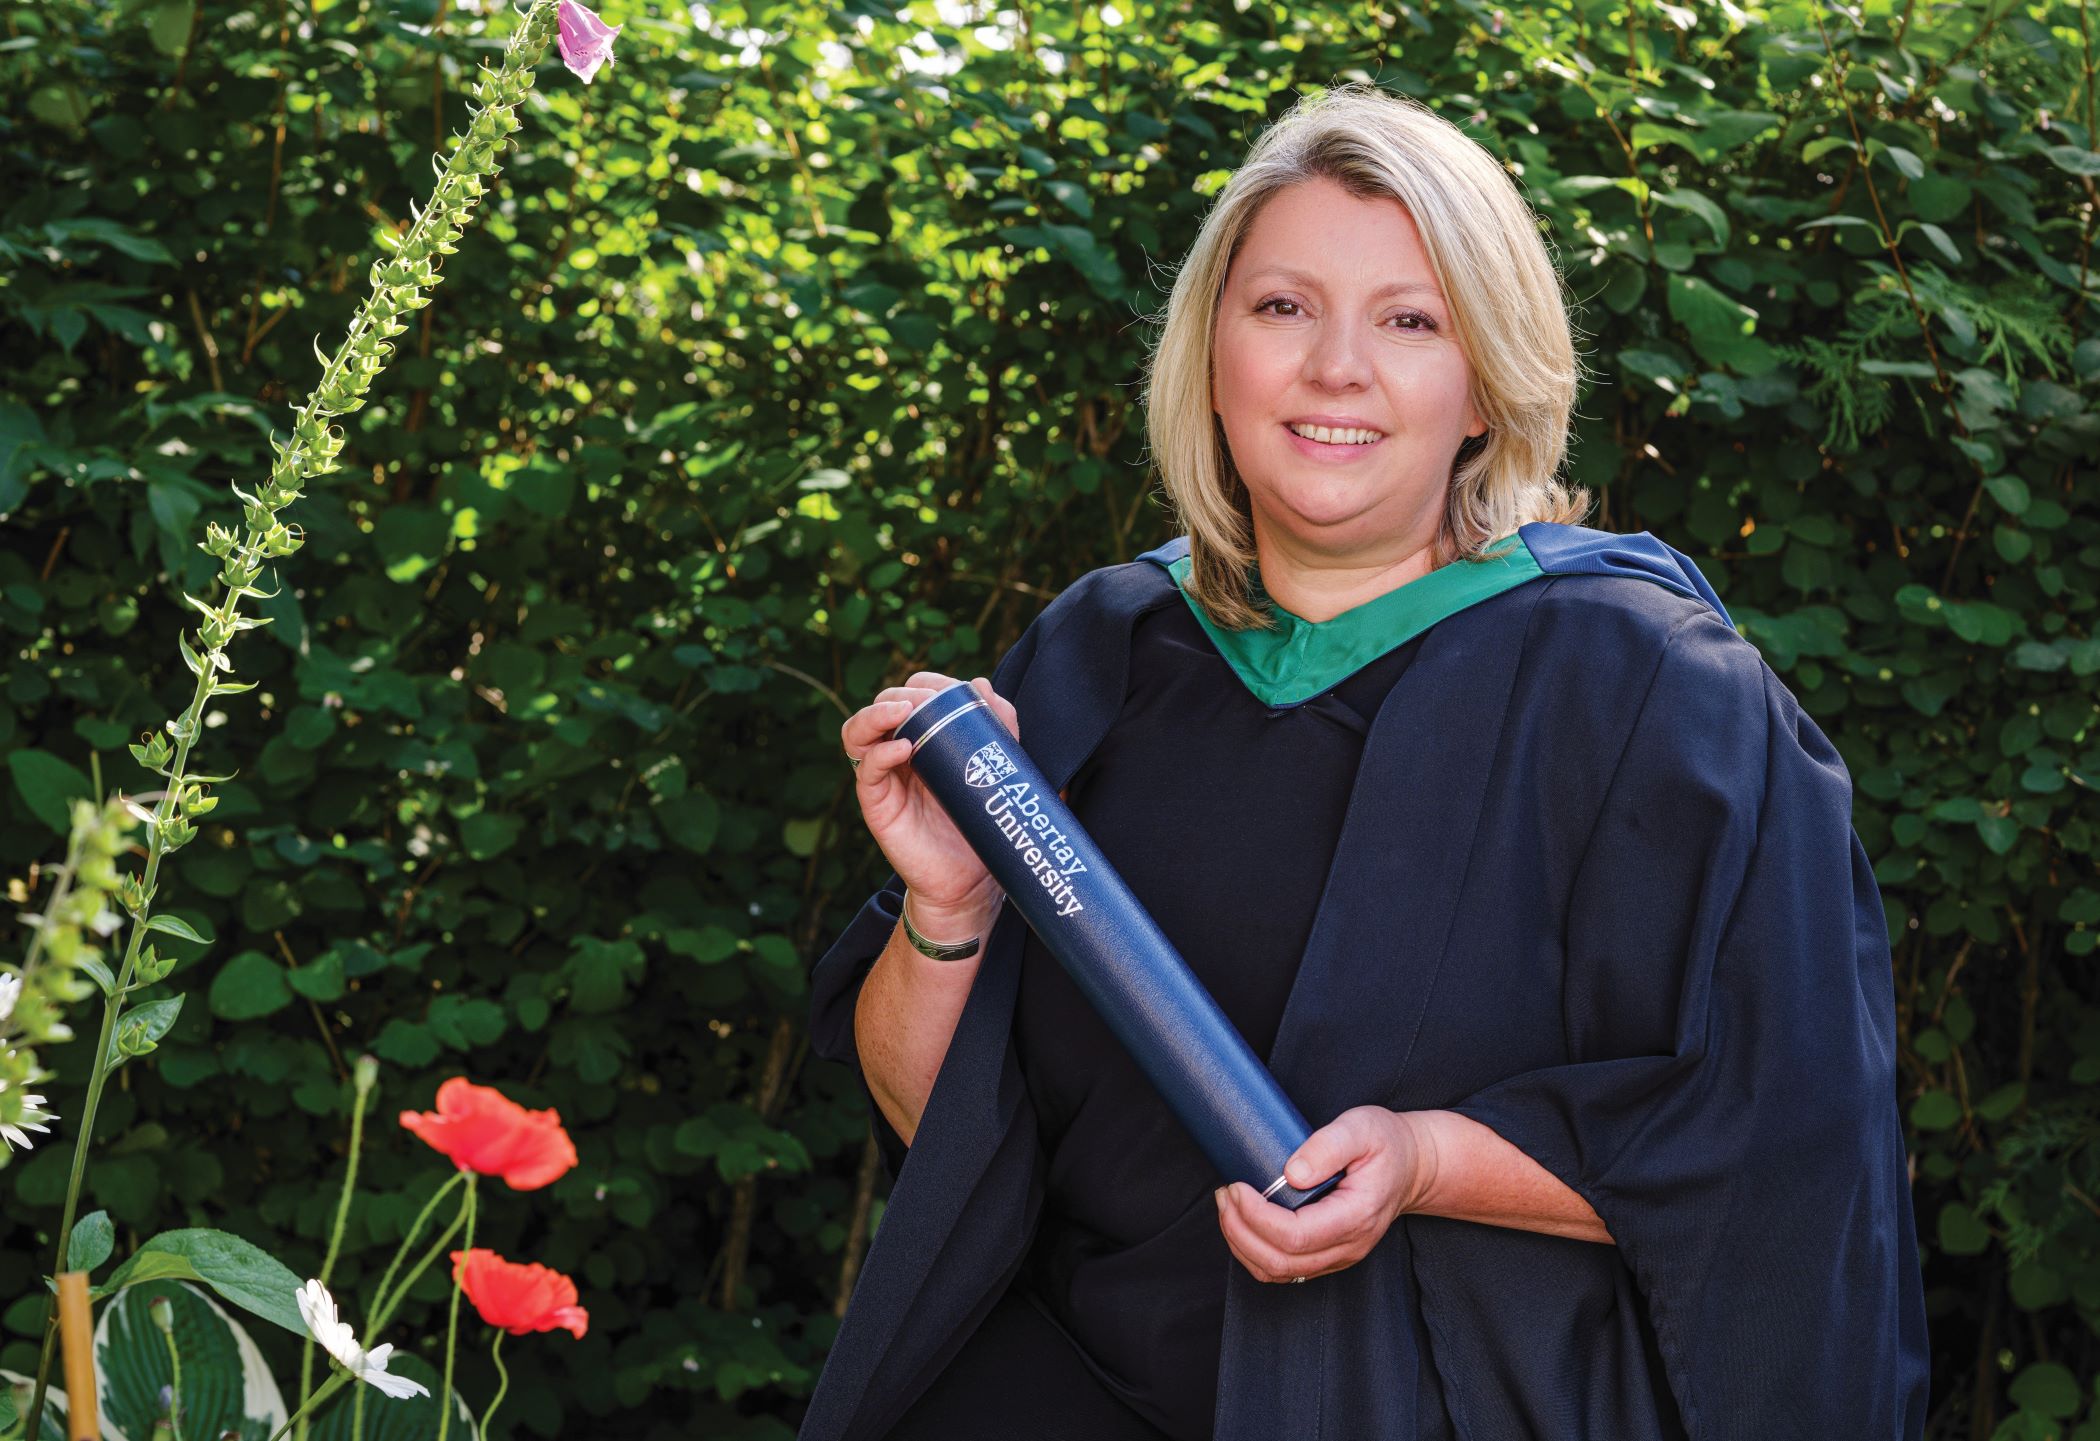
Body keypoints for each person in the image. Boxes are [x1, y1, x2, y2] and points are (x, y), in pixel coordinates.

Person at [800, 84, 1929, 1441]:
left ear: (1488, 381)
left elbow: (1786, 1154)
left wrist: (1427, 1158)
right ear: (1212, 349)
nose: (1338, 367)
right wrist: (947, 912)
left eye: (1411, 319)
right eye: (1283, 308)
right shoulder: (1097, 659)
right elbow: (953, 1138)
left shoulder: (1649, 692)